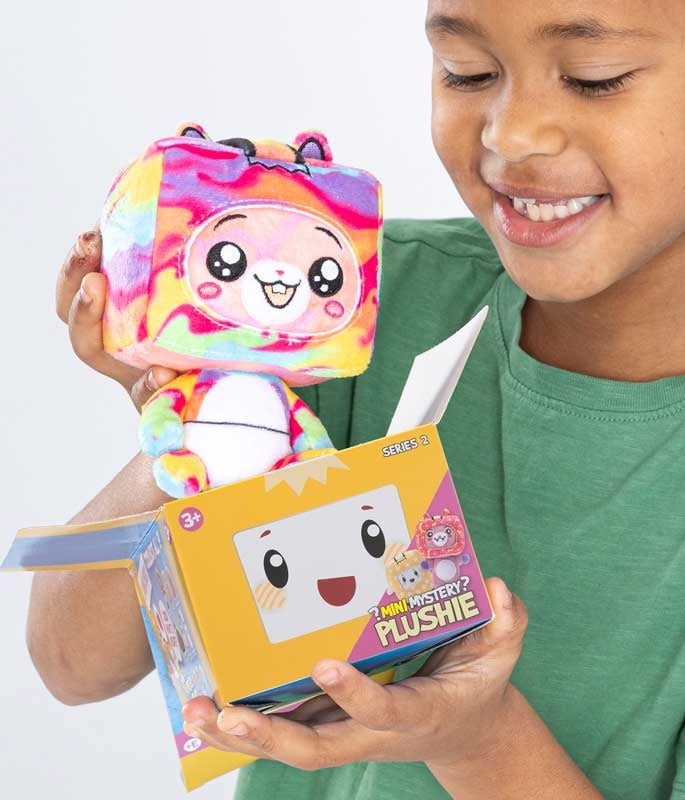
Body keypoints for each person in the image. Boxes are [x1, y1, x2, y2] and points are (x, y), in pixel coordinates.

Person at [27, 1, 685, 798]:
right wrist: (191, 403)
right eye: (467, 71)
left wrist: (475, 739)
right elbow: (72, 666)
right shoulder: (347, 304)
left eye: (593, 77)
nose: (512, 134)